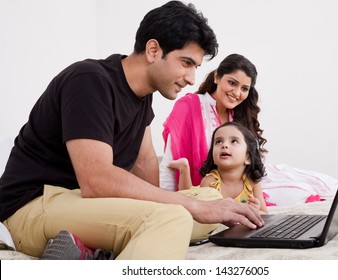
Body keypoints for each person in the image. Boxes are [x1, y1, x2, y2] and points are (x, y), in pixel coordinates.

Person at [0, 1, 264, 260]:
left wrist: (193, 204)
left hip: (82, 204)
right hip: (33, 207)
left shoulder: (141, 97)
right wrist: (184, 207)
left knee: (210, 197)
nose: (192, 78)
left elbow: (145, 160)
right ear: (153, 50)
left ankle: (98, 252)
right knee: (173, 216)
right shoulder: (89, 81)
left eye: (195, 67)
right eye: (185, 63)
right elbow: (96, 180)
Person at [160, 53, 267, 192]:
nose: (237, 93)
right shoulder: (188, 106)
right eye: (232, 83)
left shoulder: (241, 117)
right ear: (217, 77)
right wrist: (167, 199)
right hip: (198, 194)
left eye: (244, 89)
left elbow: (252, 166)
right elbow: (170, 163)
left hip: (236, 195)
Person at [171, 122, 268, 214]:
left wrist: (255, 210)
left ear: (248, 157)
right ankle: (184, 167)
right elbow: (203, 213)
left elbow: (265, 213)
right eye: (218, 142)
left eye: (233, 141)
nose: (224, 145)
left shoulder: (252, 182)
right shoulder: (209, 182)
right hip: (197, 196)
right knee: (186, 195)